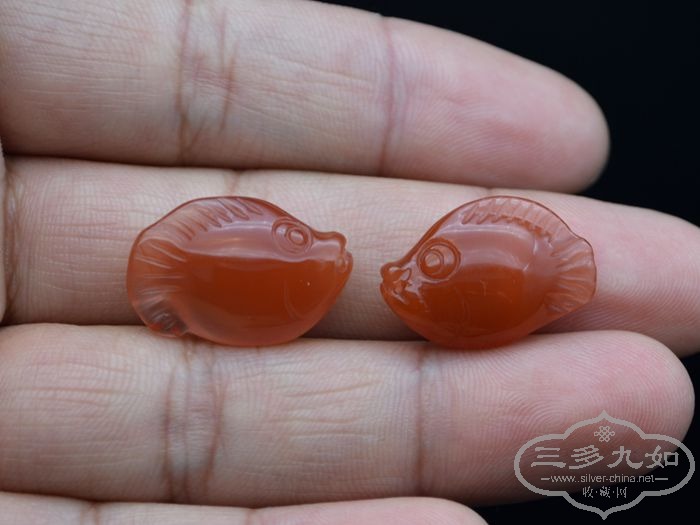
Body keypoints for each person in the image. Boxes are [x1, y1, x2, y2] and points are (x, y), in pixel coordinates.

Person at [0, 1, 697, 523]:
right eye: (300, 243)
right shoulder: (229, 285)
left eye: (430, 264)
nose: (335, 249)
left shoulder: (486, 281)